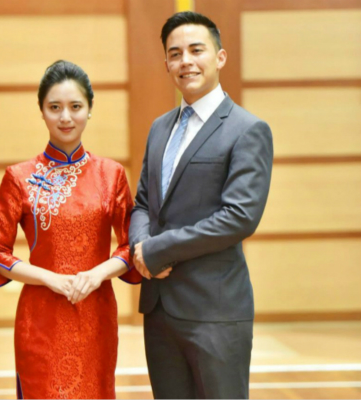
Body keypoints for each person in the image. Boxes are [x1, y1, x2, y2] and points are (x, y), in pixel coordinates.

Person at [129, 11, 273, 399]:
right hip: (159, 310)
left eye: (196, 50)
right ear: (166, 64)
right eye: (175, 54)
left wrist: (159, 249)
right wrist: (141, 249)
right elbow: (143, 203)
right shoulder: (160, 127)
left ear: (220, 57)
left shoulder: (247, 130)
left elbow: (239, 217)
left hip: (215, 313)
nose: (185, 61)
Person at [0, 60, 142, 399]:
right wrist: (49, 278)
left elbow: (133, 245)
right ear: (41, 111)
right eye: (54, 107)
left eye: (75, 107)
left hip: (96, 314)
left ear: (90, 109)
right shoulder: (19, 177)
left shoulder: (111, 175)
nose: (65, 117)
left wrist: (97, 274)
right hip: (41, 319)